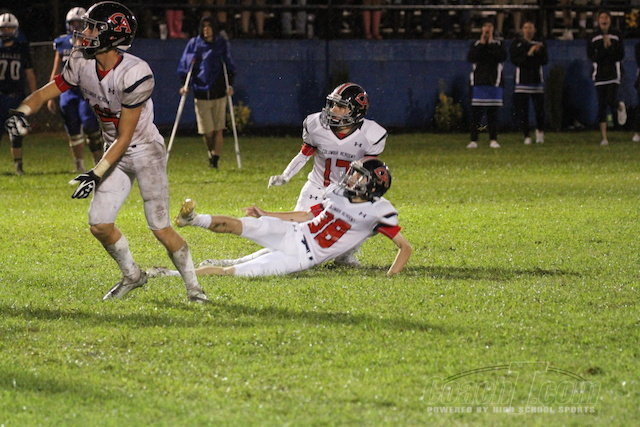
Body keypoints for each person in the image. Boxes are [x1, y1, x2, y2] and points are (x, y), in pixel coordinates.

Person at [4, 1, 207, 303]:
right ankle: (133, 275)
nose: (84, 32)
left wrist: (95, 173)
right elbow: (46, 91)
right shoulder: (81, 62)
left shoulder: (135, 73)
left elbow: (125, 136)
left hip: (144, 151)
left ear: (113, 34)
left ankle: (195, 289)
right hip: (115, 152)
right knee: (99, 224)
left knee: (160, 226)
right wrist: (22, 111)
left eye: (92, 28)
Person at [148, 157, 412, 278]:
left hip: (301, 257)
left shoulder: (380, 211)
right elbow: (306, 214)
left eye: (358, 176)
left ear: (372, 186)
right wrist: (267, 214)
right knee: (238, 225)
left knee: (231, 273)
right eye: (353, 173)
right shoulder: (338, 192)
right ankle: (193, 219)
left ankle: (169, 275)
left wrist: (391, 276)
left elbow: (405, 247)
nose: (351, 178)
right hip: (294, 233)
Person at [268, 82, 387, 266]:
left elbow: (368, 169)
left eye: (341, 106)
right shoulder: (316, 125)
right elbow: (304, 155)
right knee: (296, 229)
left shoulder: (372, 134)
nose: (333, 110)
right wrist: (285, 176)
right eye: (332, 104)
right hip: (317, 187)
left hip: (347, 192)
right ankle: (285, 256)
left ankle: (344, 255)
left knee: (365, 221)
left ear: (356, 111)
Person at [48, 7, 104, 173]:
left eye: (80, 23)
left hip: (86, 91)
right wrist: (51, 95)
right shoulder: (62, 42)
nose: (76, 27)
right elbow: (56, 70)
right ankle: (79, 165)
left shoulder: (94, 42)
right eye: (73, 23)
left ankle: (98, 163)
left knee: (90, 126)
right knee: (73, 130)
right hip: (67, 92)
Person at [177, 16, 235, 169]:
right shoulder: (194, 44)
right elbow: (185, 65)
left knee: (219, 128)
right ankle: (211, 153)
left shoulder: (221, 43)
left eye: (209, 26)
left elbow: (229, 64)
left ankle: (215, 159)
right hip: (201, 93)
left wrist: (230, 84)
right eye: (204, 26)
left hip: (219, 92)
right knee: (207, 132)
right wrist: (184, 84)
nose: (206, 29)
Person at [0, 12, 36, 175]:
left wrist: (34, 95)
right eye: (3, 28)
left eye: (9, 28)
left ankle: (18, 167)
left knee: (17, 133)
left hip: (16, 96)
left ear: (15, 29)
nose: (6, 31)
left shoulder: (22, 49)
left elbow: (29, 73)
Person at [587, 10, 625, 146]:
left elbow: (620, 55)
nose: (604, 20)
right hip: (599, 74)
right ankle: (604, 137)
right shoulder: (593, 36)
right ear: (598, 20)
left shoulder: (617, 35)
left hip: (613, 73)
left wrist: (609, 47)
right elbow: (591, 55)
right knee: (601, 105)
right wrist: (603, 49)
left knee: (610, 99)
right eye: (601, 17)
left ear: (610, 20)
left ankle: (619, 106)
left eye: (606, 17)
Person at [466, 19, 507, 149]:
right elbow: (472, 57)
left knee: (493, 114)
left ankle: (493, 139)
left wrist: (489, 44)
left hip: (494, 82)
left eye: (489, 30)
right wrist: (483, 44)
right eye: (485, 30)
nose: (487, 32)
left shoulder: (498, 44)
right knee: (476, 114)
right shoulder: (476, 44)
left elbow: (500, 57)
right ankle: (474, 140)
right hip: (478, 83)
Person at [510, 20, 548, 145]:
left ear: (535, 30)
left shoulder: (540, 43)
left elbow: (544, 60)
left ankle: (540, 133)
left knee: (539, 110)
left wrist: (536, 54)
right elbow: (517, 60)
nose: (528, 30)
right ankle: (526, 135)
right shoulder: (517, 43)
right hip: (522, 81)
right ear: (522, 30)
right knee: (523, 110)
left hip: (536, 80)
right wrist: (529, 54)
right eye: (526, 27)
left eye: (531, 27)